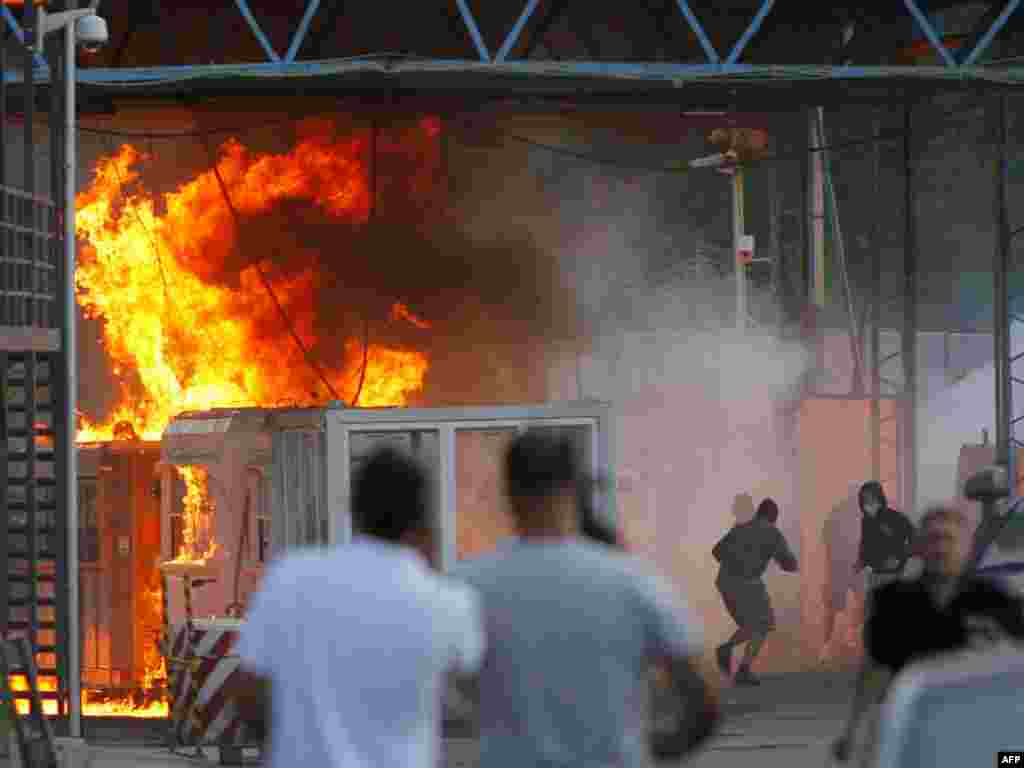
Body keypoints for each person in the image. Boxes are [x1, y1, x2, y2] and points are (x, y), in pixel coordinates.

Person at [452, 430, 719, 768]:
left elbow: (442, 686)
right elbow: (705, 701)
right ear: (575, 489)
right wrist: (654, 749)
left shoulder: (468, 587)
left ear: (509, 492)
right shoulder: (633, 581)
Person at [232, 447, 485, 768]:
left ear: (355, 510)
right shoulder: (449, 601)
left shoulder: (291, 576)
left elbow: (247, 695)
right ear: (424, 521)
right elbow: (480, 697)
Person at [832, 504, 1024, 765]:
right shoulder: (892, 600)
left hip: (983, 724)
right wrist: (853, 731)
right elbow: (875, 668)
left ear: (966, 547)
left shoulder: (995, 597)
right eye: (933, 539)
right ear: (920, 548)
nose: (941, 548)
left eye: (949, 539)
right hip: (918, 726)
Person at [713, 497, 799, 686]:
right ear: (773, 517)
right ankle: (741, 667)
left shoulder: (741, 527)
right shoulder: (771, 532)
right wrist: (792, 565)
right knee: (763, 623)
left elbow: (716, 551)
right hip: (747, 583)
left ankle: (727, 651)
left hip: (725, 582)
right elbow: (789, 563)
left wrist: (738, 559)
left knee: (752, 625)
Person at [853, 481, 915, 594]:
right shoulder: (866, 521)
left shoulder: (894, 517)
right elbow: (865, 544)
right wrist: (861, 562)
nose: (868, 504)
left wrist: (901, 557)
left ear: (879, 499)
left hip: (894, 574)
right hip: (875, 574)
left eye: (872, 500)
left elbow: (914, 538)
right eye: (865, 501)